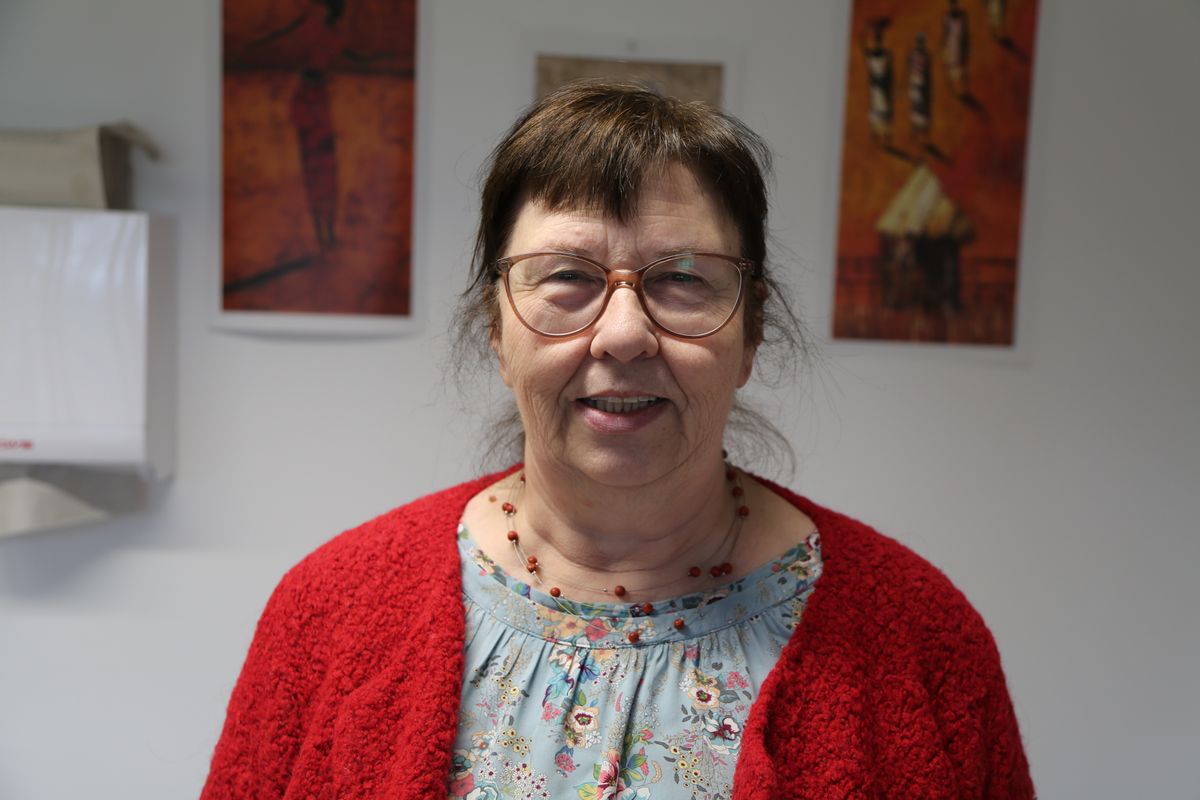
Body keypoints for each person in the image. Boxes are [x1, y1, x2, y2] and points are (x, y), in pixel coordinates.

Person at [201, 81, 1033, 798]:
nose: (624, 334)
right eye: (568, 277)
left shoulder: (922, 640)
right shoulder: (328, 613)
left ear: (751, 332)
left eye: (683, 279)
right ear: (497, 327)